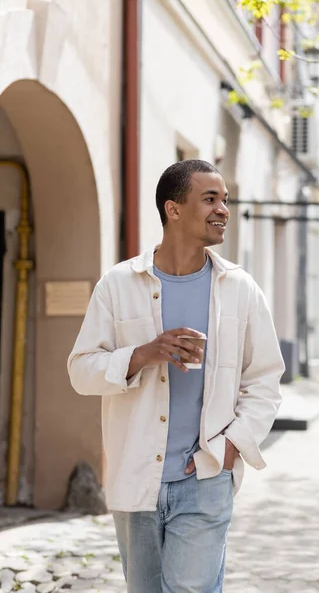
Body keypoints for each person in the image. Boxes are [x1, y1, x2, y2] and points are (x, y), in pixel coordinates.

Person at [67, 159, 285, 593]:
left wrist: (229, 449)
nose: (223, 209)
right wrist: (144, 354)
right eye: (210, 199)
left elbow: (264, 380)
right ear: (174, 209)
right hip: (135, 477)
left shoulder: (240, 289)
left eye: (225, 200)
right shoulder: (118, 284)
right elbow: (81, 371)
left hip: (205, 476)